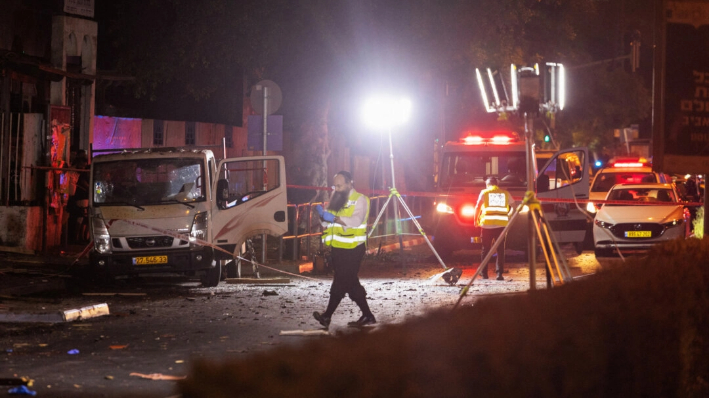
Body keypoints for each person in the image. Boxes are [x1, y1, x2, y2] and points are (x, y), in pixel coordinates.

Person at [313, 171, 375, 329]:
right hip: (338, 248)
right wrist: (322, 216)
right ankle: (368, 315)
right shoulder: (335, 197)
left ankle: (327, 316)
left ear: (350, 184)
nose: (336, 189)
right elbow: (326, 223)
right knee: (350, 282)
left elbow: (356, 221)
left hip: (354, 248)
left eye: (340, 185)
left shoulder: (360, 199)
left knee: (341, 280)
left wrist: (333, 218)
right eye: (335, 185)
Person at [474, 176, 514, 280]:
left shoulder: (484, 192)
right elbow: (514, 206)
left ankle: (484, 274)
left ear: (487, 185)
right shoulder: (505, 193)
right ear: (497, 184)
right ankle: (499, 274)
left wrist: (476, 220)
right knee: (500, 250)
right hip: (501, 226)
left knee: (485, 250)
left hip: (487, 225)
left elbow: (478, 207)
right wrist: (508, 216)